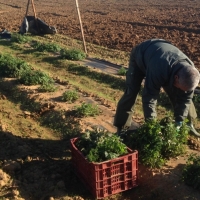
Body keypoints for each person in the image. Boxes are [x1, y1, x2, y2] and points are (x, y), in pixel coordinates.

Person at [114, 38, 200, 137]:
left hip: (161, 56)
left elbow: (186, 99)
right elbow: (150, 97)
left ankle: (188, 125)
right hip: (141, 56)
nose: (182, 90)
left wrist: (180, 121)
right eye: (181, 87)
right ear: (176, 78)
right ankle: (121, 127)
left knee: (181, 95)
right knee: (131, 91)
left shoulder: (190, 73)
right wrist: (152, 126)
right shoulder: (158, 69)